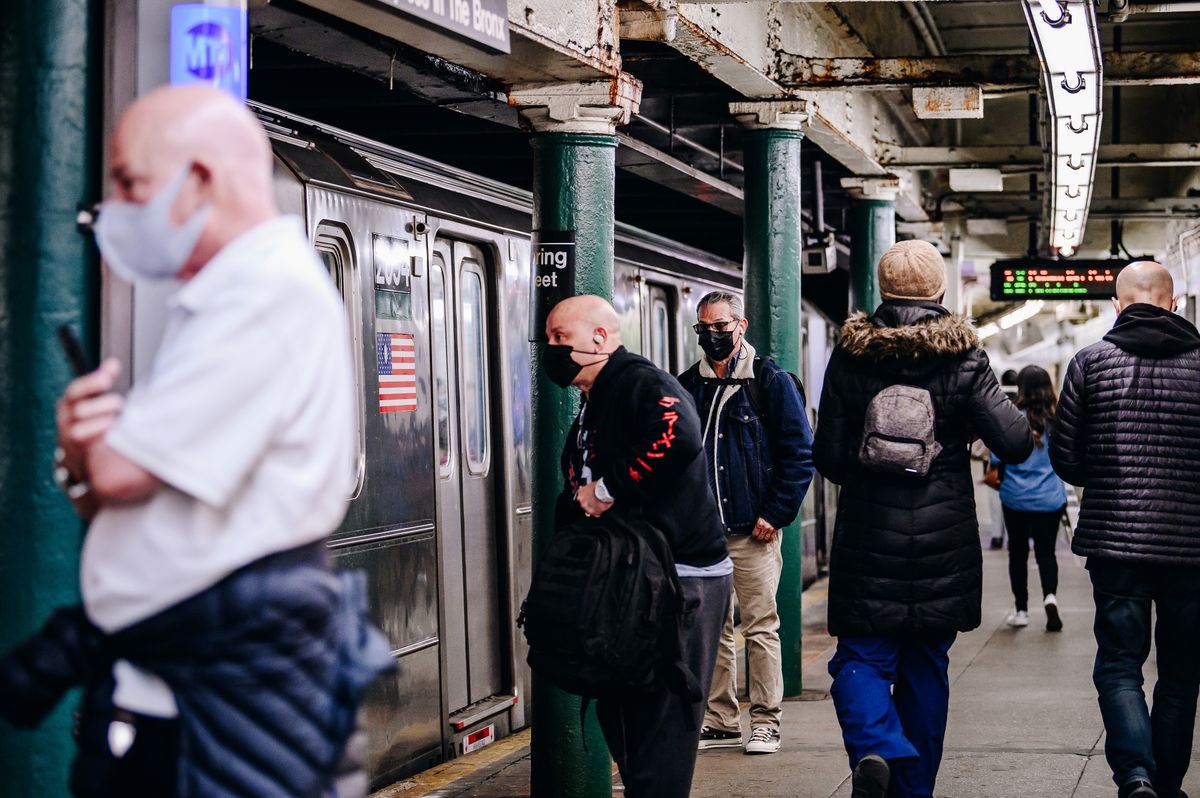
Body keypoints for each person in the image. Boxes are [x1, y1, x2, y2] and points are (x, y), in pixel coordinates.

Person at [0, 86, 392, 797]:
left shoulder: (261, 296)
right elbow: (139, 500)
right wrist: (92, 462)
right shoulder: (232, 296)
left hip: (218, 707)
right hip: (193, 693)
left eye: (130, 183)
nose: (112, 209)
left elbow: (122, 477)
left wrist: (89, 445)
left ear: (200, 179)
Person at [813, 239, 1032, 798]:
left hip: (868, 537)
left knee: (861, 657)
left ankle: (877, 743)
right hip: (946, 541)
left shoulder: (852, 354)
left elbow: (830, 457)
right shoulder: (965, 355)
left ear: (882, 292)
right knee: (926, 669)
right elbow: (1015, 444)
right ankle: (913, 792)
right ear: (940, 291)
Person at [545, 294, 731, 798]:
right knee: (625, 716)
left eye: (561, 338)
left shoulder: (639, 382)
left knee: (662, 727)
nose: (551, 349)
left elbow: (678, 433)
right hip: (635, 584)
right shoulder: (597, 399)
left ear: (601, 338)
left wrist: (606, 490)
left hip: (680, 579)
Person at [1051, 261, 1200, 798]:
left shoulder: (1090, 363)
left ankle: (1136, 776)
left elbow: (1066, 461)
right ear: (1174, 301)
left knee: (1119, 665)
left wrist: (1113, 475)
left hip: (1116, 542)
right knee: (1182, 675)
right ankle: (1168, 783)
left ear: (1118, 305)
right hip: (1192, 549)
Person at [677, 290, 814, 755]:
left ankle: (766, 721)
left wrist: (774, 514)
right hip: (703, 534)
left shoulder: (769, 381)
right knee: (711, 631)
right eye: (705, 329)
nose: (713, 336)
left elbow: (800, 454)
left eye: (721, 327)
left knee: (760, 627)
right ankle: (719, 719)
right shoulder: (687, 386)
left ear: (741, 325)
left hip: (752, 532)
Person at [995, 365, 1068, 631]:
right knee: (1046, 553)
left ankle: (1022, 610)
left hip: (1015, 497)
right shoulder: (1059, 419)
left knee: (1018, 552)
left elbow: (997, 456)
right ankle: (1050, 596)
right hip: (1049, 498)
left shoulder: (1013, 418)